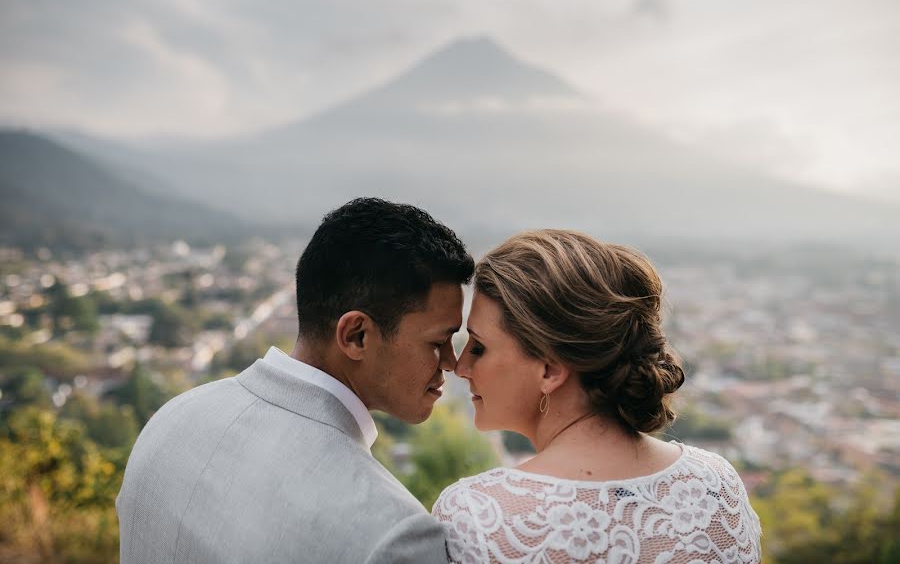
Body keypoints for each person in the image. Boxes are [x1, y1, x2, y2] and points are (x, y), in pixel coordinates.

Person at [117, 198, 473, 563]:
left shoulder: (169, 421)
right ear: (356, 336)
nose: (452, 361)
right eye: (438, 341)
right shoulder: (393, 538)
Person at [433, 230, 762, 563]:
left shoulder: (479, 516)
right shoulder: (716, 485)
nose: (461, 367)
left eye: (478, 347)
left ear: (549, 370)